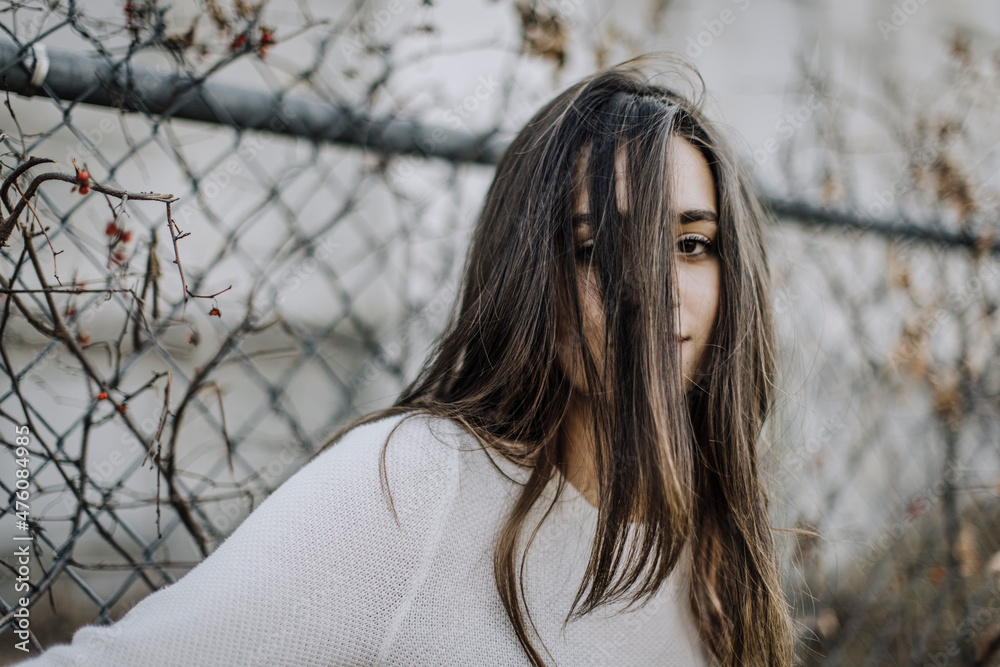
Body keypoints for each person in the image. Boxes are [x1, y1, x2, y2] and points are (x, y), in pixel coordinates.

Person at [14, 53, 795, 666]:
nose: (655, 290)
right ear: (531, 278)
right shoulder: (417, 484)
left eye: (692, 243)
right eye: (599, 249)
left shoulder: (720, 527)